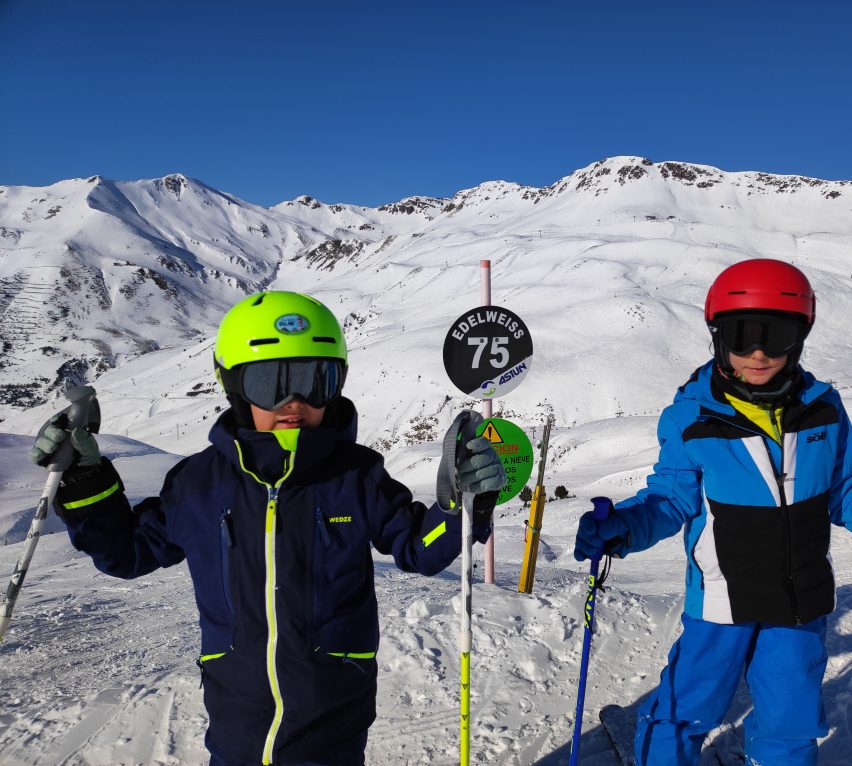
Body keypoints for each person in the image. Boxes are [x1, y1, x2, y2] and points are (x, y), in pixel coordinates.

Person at [30, 291, 505, 766]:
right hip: (239, 721)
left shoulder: (355, 475)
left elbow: (418, 547)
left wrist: (461, 507)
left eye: (313, 380)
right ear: (233, 386)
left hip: (332, 720)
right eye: (269, 381)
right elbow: (127, 554)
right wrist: (84, 480)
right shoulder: (199, 483)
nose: (293, 400)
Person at [573, 259, 852, 766]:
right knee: (688, 707)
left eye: (779, 334)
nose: (759, 352)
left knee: (789, 719)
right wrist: (622, 527)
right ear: (717, 336)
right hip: (722, 602)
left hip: (800, 601)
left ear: (801, 337)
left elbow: (846, 495)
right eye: (742, 334)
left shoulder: (825, 411)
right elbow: (671, 497)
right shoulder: (693, 417)